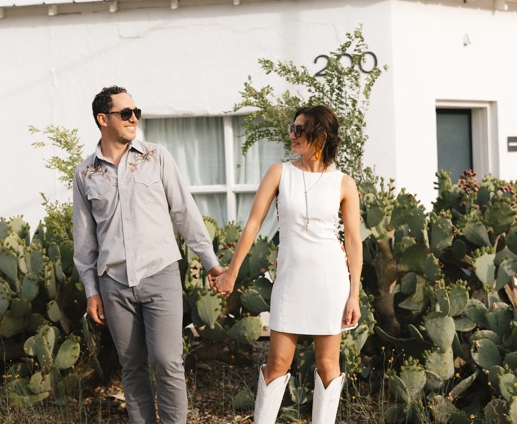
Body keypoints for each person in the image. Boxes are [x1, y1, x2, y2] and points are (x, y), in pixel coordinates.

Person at [73, 86, 227, 424]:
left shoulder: (156, 157)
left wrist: (211, 263)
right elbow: (84, 243)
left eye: (135, 112)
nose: (133, 118)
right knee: (132, 367)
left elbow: (185, 212)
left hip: (160, 274)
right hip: (113, 283)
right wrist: (92, 291)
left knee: (167, 361)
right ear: (103, 119)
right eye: (125, 113)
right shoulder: (85, 174)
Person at [212, 105, 363, 424]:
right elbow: (252, 224)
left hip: (330, 281)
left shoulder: (343, 183)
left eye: (299, 129)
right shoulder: (280, 173)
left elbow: (353, 242)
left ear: (320, 135)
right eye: (292, 128)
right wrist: (231, 273)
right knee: (277, 361)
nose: (291, 135)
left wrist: (354, 295)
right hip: (291, 281)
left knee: (327, 365)